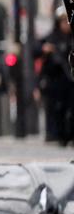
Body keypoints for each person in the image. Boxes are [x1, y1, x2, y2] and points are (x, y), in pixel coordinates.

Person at [36, 8, 74, 145]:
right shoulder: (52, 37)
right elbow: (36, 50)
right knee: (57, 109)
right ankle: (59, 136)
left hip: (71, 80)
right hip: (56, 80)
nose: (66, 25)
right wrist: (45, 49)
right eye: (63, 22)